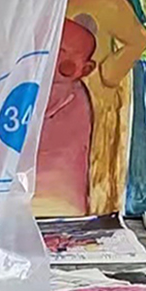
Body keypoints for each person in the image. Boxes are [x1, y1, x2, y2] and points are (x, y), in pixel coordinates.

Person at [63, 0, 146, 214]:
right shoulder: (45, 0)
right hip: (55, 98)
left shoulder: (109, 3)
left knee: (94, 160)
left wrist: (109, 75)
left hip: (95, 97)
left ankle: (96, 214)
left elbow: (139, 40)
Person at [35, 20, 98, 216]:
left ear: (86, 69)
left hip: (55, 194)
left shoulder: (67, 91)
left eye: (65, 55)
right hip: (42, 193)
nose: (56, 60)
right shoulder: (38, 86)